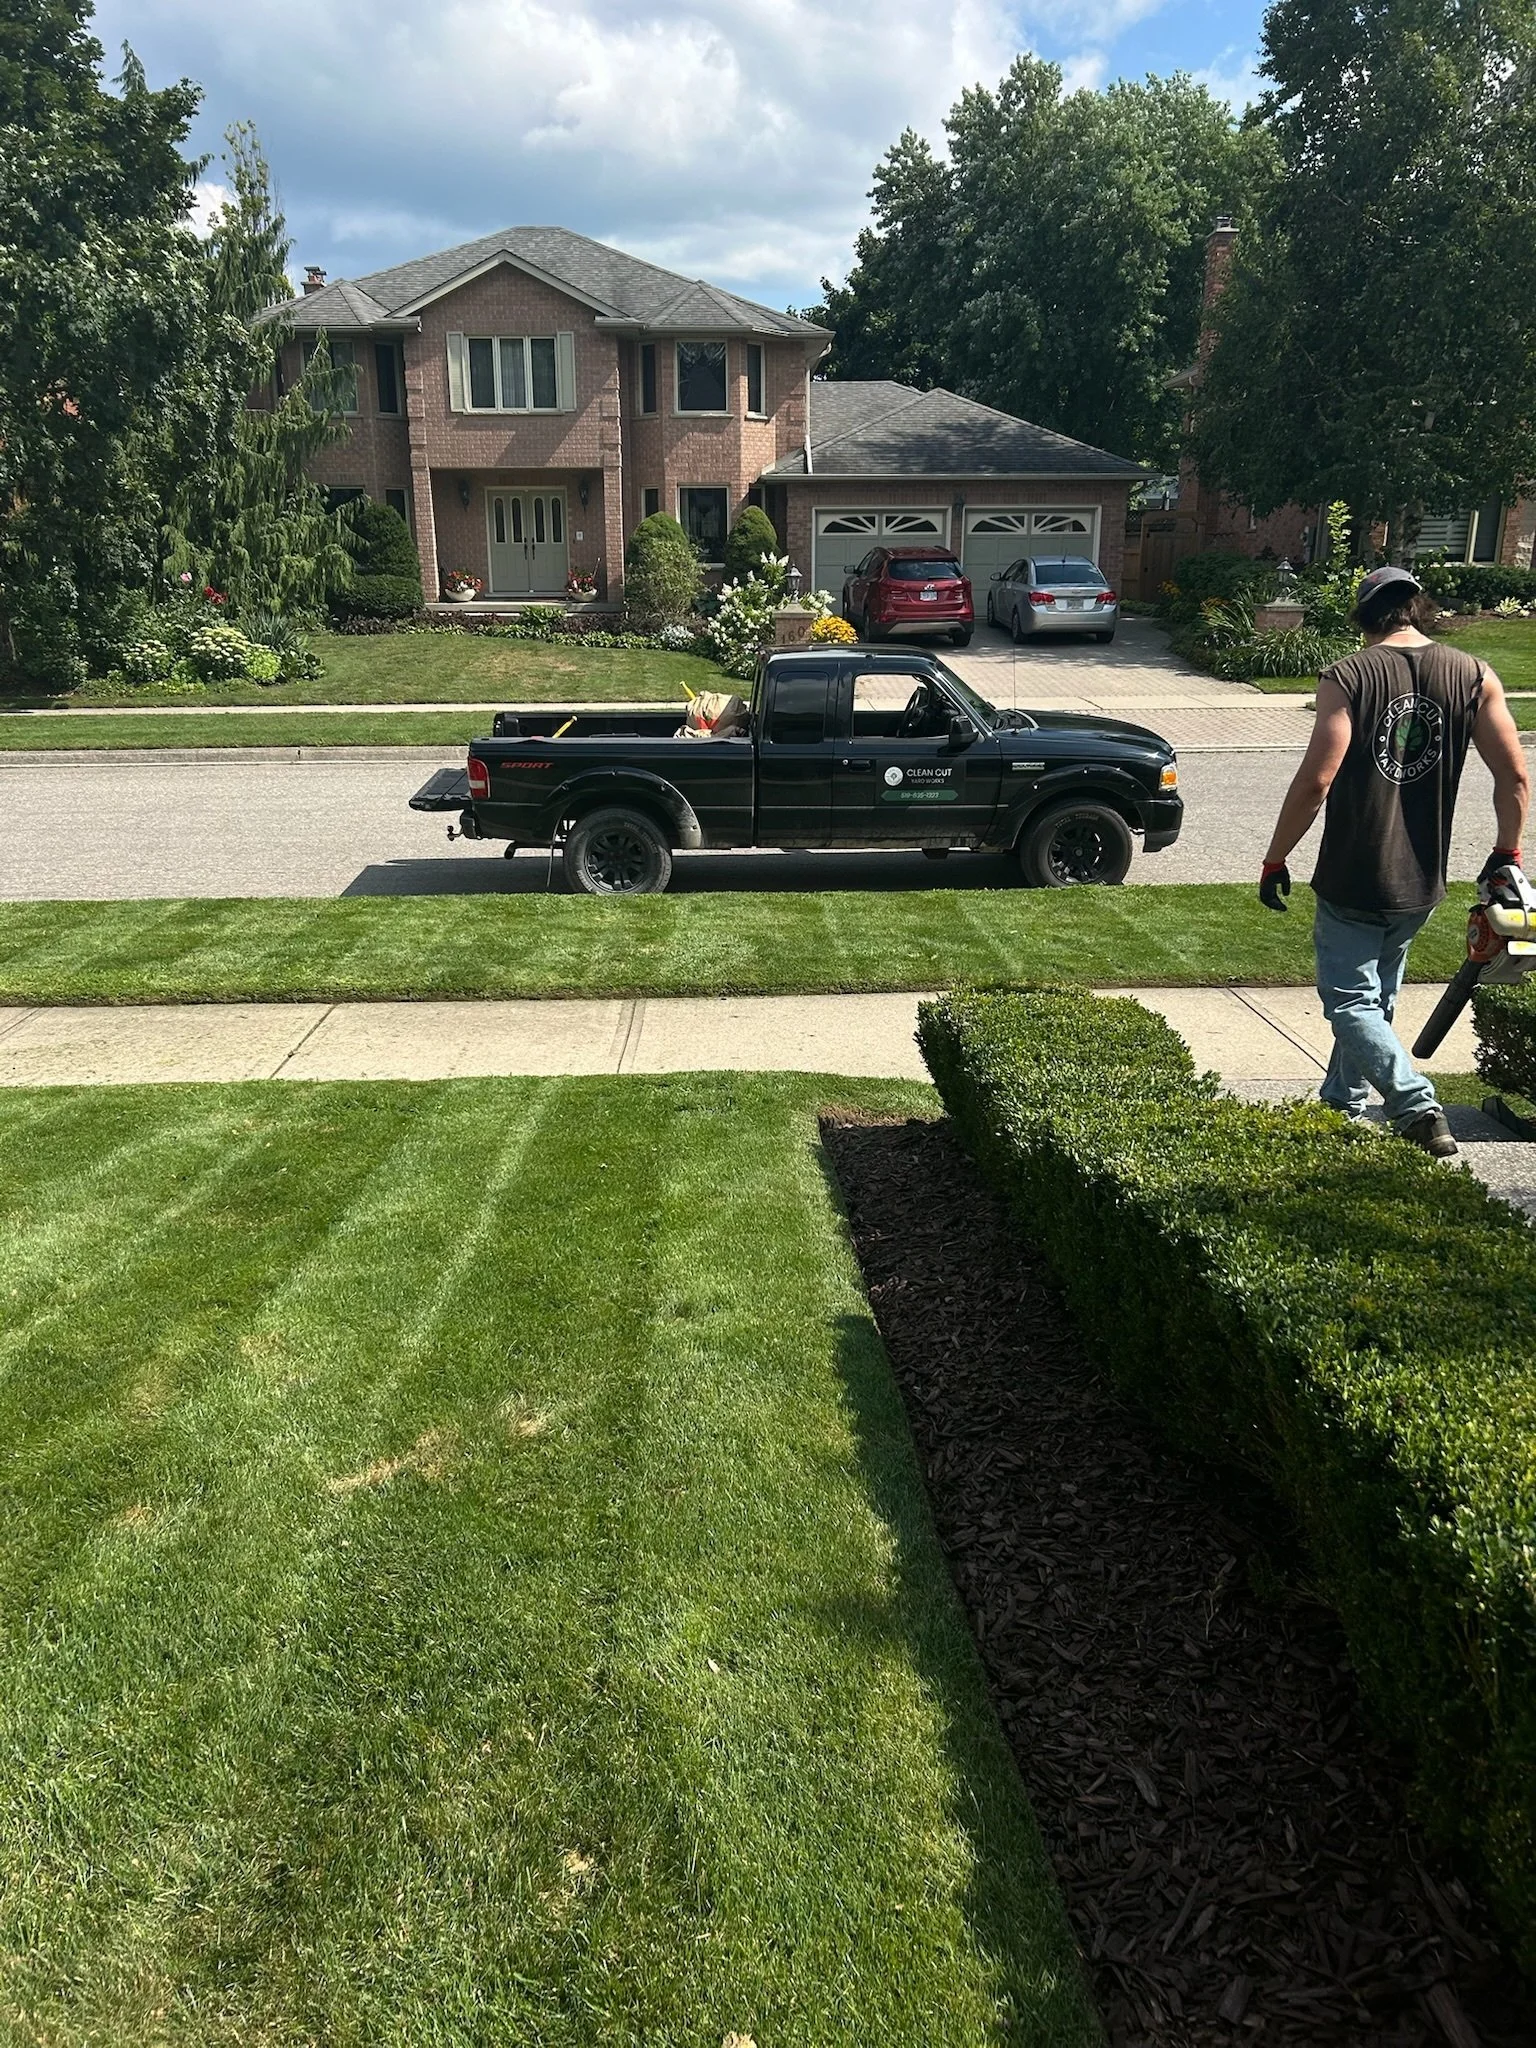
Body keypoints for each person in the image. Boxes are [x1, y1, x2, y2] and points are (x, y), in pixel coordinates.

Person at [1258, 564, 1530, 1157]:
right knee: (1375, 999)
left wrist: (1275, 859)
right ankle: (1340, 1103)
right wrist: (1507, 852)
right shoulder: (1474, 674)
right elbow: (1514, 773)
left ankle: (1415, 1105)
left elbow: (1316, 780)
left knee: (1350, 1002)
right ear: (1416, 606)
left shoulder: (1348, 675)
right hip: (1422, 878)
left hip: (1355, 875)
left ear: (1364, 615)